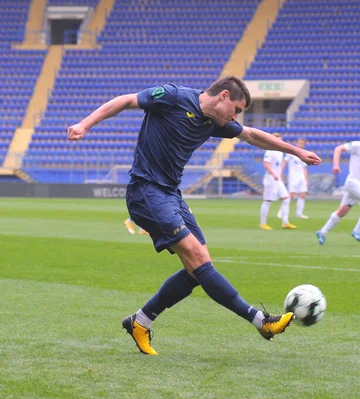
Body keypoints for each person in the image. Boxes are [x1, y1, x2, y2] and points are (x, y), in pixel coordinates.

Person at [67, 77, 321, 355]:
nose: (235, 117)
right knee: (199, 261)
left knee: (198, 271)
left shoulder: (215, 122)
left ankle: (140, 321)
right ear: (223, 96)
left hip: (171, 195)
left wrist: (296, 151)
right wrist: (84, 124)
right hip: (146, 191)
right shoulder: (173, 97)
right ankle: (261, 321)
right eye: (235, 109)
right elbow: (126, 100)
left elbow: (251, 134)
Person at [315, 127, 360, 245]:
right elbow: (338, 149)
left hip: (358, 184)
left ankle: (322, 232)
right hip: (352, 181)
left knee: (342, 211)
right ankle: (357, 231)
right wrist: (336, 165)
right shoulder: (358, 145)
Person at [259, 133, 296, 230]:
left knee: (286, 198)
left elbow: (278, 168)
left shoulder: (280, 152)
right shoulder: (269, 150)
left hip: (277, 179)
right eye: (277, 139)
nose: (279, 142)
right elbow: (266, 164)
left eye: (280, 140)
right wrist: (274, 174)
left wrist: (280, 176)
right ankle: (263, 223)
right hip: (270, 179)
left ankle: (285, 222)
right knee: (267, 201)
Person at [277, 137, 310, 219]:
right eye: (300, 142)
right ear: (297, 143)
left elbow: (304, 168)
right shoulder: (291, 152)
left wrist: (306, 180)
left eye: (302, 143)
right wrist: (280, 173)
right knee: (291, 194)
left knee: (302, 194)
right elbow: (284, 162)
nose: (301, 144)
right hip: (293, 176)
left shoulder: (304, 153)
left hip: (301, 176)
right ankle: (281, 212)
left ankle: (299, 213)